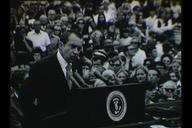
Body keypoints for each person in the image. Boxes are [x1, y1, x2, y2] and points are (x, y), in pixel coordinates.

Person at [19, 32, 83, 128]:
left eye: (79, 49)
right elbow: (25, 100)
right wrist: (39, 122)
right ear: (61, 45)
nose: (76, 52)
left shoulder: (77, 64)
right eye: (73, 47)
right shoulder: (41, 66)